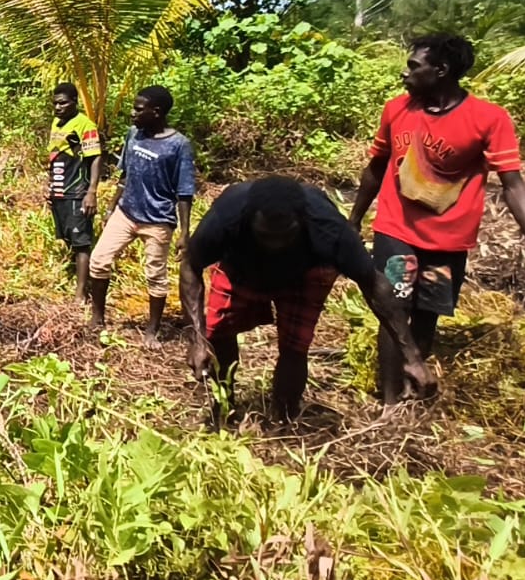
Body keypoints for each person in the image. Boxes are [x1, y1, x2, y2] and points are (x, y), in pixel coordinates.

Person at [347, 33, 525, 408]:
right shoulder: (396, 110)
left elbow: (512, 184)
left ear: (441, 71)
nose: (404, 73)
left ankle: (413, 392)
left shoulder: (488, 119)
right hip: (396, 228)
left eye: (414, 66)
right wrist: (354, 220)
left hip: (448, 239)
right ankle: (390, 404)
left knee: (428, 316)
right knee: (395, 309)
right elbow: (375, 169)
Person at [181, 176, 433, 420]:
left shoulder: (329, 227)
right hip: (241, 270)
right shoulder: (227, 215)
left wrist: (412, 357)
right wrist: (197, 338)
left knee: (294, 347)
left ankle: (284, 416)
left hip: (306, 274)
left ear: (302, 221)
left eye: (285, 235)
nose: (275, 246)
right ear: (249, 220)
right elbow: (191, 266)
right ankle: (224, 405)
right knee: (219, 335)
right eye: (266, 235)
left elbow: (375, 285)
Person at [89, 85, 195, 336]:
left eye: (138, 109)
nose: (133, 113)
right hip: (126, 213)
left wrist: (184, 233)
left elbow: (184, 192)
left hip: (158, 220)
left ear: (156, 112)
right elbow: (125, 175)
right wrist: (111, 207)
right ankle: (97, 318)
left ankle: (152, 331)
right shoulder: (133, 134)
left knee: (155, 276)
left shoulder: (179, 145)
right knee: (99, 261)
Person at [48, 83, 103, 303]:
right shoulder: (57, 123)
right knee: (69, 238)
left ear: (74, 101)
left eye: (63, 102)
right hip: (59, 190)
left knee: (81, 243)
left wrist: (91, 192)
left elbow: (96, 157)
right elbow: (54, 156)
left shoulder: (85, 125)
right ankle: (75, 282)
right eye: (55, 103)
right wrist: (49, 185)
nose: (58, 107)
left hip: (77, 191)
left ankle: (81, 293)